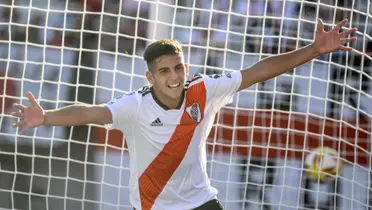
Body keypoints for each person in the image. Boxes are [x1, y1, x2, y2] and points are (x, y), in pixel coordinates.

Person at [11, 19, 357, 210]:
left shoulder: (205, 89)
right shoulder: (135, 105)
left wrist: (314, 49)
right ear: (151, 77)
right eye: (164, 72)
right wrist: (46, 117)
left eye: (178, 68)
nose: (174, 77)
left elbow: (259, 71)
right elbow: (90, 113)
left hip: (202, 202)